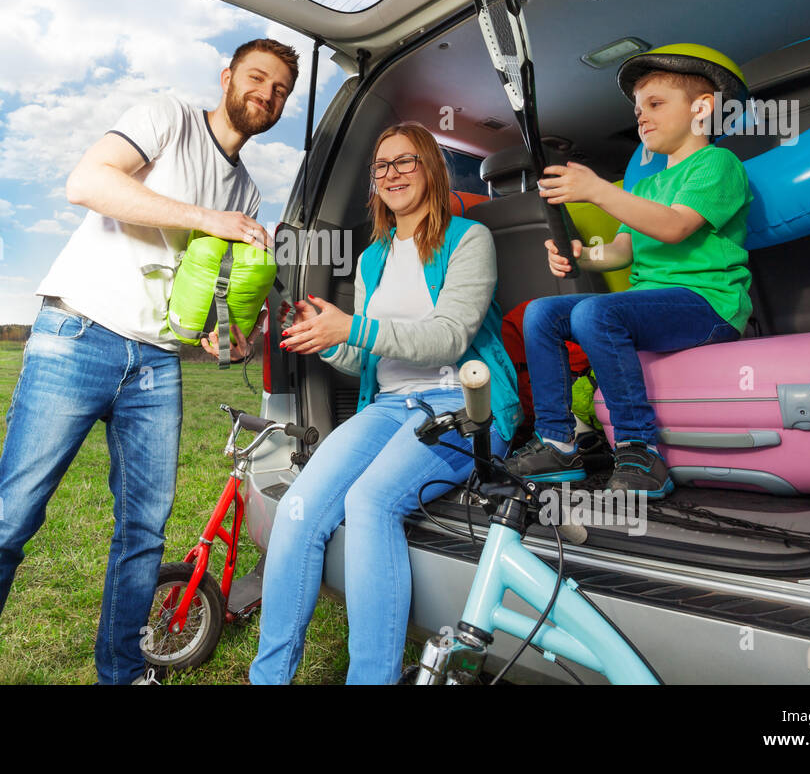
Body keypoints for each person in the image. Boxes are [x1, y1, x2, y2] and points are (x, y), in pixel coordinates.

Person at [0, 39, 299, 684]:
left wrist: (220, 336)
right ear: (227, 77)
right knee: (8, 521)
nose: (265, 95)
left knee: (143, 538)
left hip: (157, 364)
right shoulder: (168, 117)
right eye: (257, 78)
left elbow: (200, 292)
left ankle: (123, 675)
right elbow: (88, 182)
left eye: (280, 91)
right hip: (79, 334)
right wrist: (208, 218)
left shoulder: (247, 191)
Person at [249, 122, 521, 685]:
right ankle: (268, 678)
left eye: (406, 162)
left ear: (432, 169)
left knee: (372, 501)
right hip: (390, 404)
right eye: (382, 166)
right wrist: (328, 339)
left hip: (462, 403)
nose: (392, 174)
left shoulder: (470, 240)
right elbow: (369, 358)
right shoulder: (373, 258)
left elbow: (447, 337)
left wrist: (352, 325)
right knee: (299, 509)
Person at [508, 44, 754, 498]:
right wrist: (581, 257)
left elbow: (676, 226)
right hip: (651, 305)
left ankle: (640, 450)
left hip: (707, 304)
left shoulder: (718, 164)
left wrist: (599, 191)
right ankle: (559, 443)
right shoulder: (648, 183)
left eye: (656, 104)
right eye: (638, 109)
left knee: (596, 314)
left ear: (703, 108)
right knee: (541, 313)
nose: (642, 116)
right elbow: (622, 251)